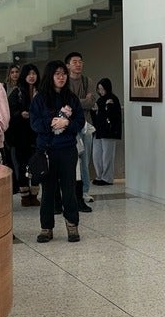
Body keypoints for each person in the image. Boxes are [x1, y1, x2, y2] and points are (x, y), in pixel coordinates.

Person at [30, 60, 83, 243]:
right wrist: (51, 122)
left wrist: (67, 123)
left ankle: (72, 226)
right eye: (57, 74)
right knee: (48, 192)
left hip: (67, 150)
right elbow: (34, 123)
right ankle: (46, 228)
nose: (61, 77)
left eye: (63, 74)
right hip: (47, 150)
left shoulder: (72, 98)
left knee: (69, 189)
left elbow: (80, 123)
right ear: (50, 76)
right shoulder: (40, 98)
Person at [7, 63, 40, 206]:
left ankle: (35, 193)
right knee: (22, 165)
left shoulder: (42, 92)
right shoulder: (17, 92)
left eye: (34, 73)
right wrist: (20, 114)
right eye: (28, 74)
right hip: (21, 135)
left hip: (38, 135)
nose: (31, 77)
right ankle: (25, 195)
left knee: (38, 165)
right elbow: (9, 112)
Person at [65, 51, 95, 204]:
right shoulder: (65, 81)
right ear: (68, 65)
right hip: (70, 126)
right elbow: (67, 104)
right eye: (74, 62)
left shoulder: (87, 81)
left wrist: (77, 102)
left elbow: (91, 103)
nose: (78, 64)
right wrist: (81, 102)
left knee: (85, 160)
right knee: (71, 160)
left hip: (86, 126)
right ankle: (71, 191)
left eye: (80, 61)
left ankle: (85, 191)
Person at [91, 77, 121, 186]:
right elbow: (96, 115)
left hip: (109, 131)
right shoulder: (99, 100)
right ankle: (99, 175)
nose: (101, 91)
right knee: (97, 155)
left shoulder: (113, 99)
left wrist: (108, 106)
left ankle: (107, 178)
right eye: (99, 89)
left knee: (107, 156)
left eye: (103, 89)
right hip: (98, 131)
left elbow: (114, 115)